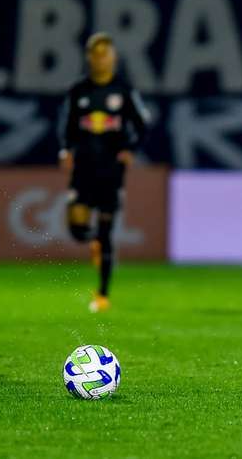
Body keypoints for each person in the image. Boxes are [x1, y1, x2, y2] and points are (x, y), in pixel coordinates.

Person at [59, 32, 149, 313]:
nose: (100, 60)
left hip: (111, 168)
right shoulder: (79, 90)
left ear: (113, 58)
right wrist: (66, 150)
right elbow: (68, 125)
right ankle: (92, 241)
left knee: (107, 229)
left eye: (105, 54)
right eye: (95, 55)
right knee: (76, 227)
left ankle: (102, 294)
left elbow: (141, 123)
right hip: (83, 167)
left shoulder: (122, 90)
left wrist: (130, 149)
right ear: (89, 58)